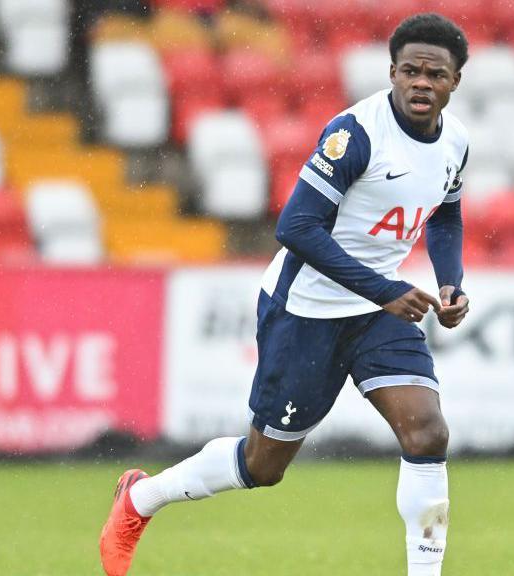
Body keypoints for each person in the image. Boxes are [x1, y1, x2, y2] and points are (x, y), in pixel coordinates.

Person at [100, 13, 470, 576]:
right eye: (411, 71)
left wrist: (450, 282)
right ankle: (139, 500)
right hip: (306, 310)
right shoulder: (356, 135)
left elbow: (445, 213)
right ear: (392, 72)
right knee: (263, 464)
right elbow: (296, 227)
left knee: (428, 432)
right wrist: (386, 288)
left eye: (435, 74)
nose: (422, 83)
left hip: (377, 313)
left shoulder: (457, 143)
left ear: (454, 82)